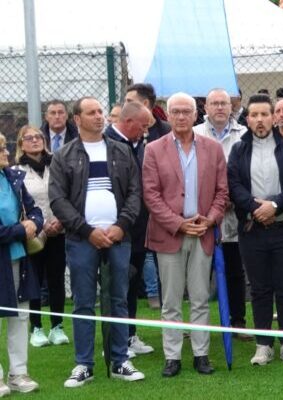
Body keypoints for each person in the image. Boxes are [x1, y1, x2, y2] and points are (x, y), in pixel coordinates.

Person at [49, 96, 144, 387]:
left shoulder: (121, 151)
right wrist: (87, 230)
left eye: (101, 111)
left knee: (118, 300)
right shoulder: (64, 155)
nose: (99, 116)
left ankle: (120, 360)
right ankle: (84, 364)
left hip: (119, 237)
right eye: (91, 112)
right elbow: (58, 199)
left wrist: (121, 225)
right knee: (83, 302)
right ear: (76, 120)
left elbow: (134, 193)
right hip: (81, 240)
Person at [142, 93, 228, 378]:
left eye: (186, 111)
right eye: (175, 111)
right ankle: (173, 356)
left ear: (196, 114)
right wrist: (178, 223)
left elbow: (222, 192)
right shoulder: (153, 150)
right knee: (171, 300)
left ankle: (201, 355)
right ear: (167, 115)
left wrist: (211, 219)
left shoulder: (213, 149)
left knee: (201, 297)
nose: (181, 116)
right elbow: (151, 196)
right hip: (170, 234)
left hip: (203, 231)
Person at [228, 94, 283, 366]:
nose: (260, 120)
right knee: (260, 289)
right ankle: (263, 344)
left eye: (264, 115)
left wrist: (274, 205)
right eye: (254, 115)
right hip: (253, 230)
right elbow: (234, 185)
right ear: (247, 119)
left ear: (274, 117)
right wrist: (255, 209)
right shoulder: (238, 150)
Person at [192, 88, 251, 340]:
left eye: (224, 104)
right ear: (205, 107)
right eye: (214, 103)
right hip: (202, 216)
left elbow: (247, 173)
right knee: (199, 272)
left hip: (235, 215)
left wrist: (231, 199)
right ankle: (199, 325)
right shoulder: (194, 134)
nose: (219, 108)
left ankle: (237, 322)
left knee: (236, 271)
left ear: (232, 107)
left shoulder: (245, 135)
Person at [103, 102, 156, 358]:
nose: (145, 131)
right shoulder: (107, 142)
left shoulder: (137, 144)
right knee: (116, 286)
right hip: (115, 228)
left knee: (132, 283)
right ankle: (114, 342)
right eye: (143, 125)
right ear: (129, 122)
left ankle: (128, 334)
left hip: (137, 228)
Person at [12, 127, 69, 348]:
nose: (35, 141)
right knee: (33, 280)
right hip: (33, 235)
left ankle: (57, 326)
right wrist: (41, 224)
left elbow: (66, 194)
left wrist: (61, 221)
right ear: (21, 144)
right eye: (29, 138)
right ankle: (36, 328)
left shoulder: (57, 165)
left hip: (59, 230)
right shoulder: (17, 171)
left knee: (56, 280)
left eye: (38, 137)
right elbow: (21, 204)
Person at [0, 132, 44, 395]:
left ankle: (19, 373)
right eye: (1, 149)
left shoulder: (12, 178)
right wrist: (19, 230)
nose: (6, 152)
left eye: (5, 147)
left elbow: (35, 210)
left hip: (20, 260)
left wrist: (34, 223)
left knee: (21, 315)